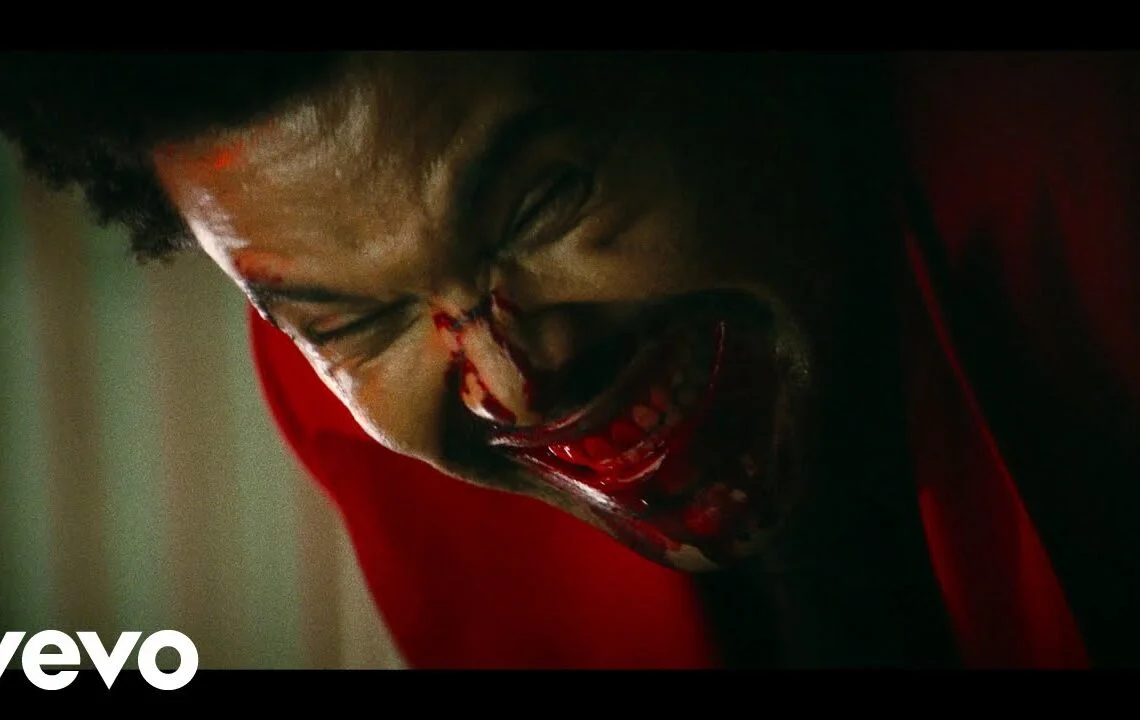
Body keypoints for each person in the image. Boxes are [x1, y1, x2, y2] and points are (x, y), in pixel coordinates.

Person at [1, 51, 1137, 668]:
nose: (512, 381)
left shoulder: (1091, 178)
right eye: (353, 321)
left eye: (541, 202)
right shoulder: (349, 416)